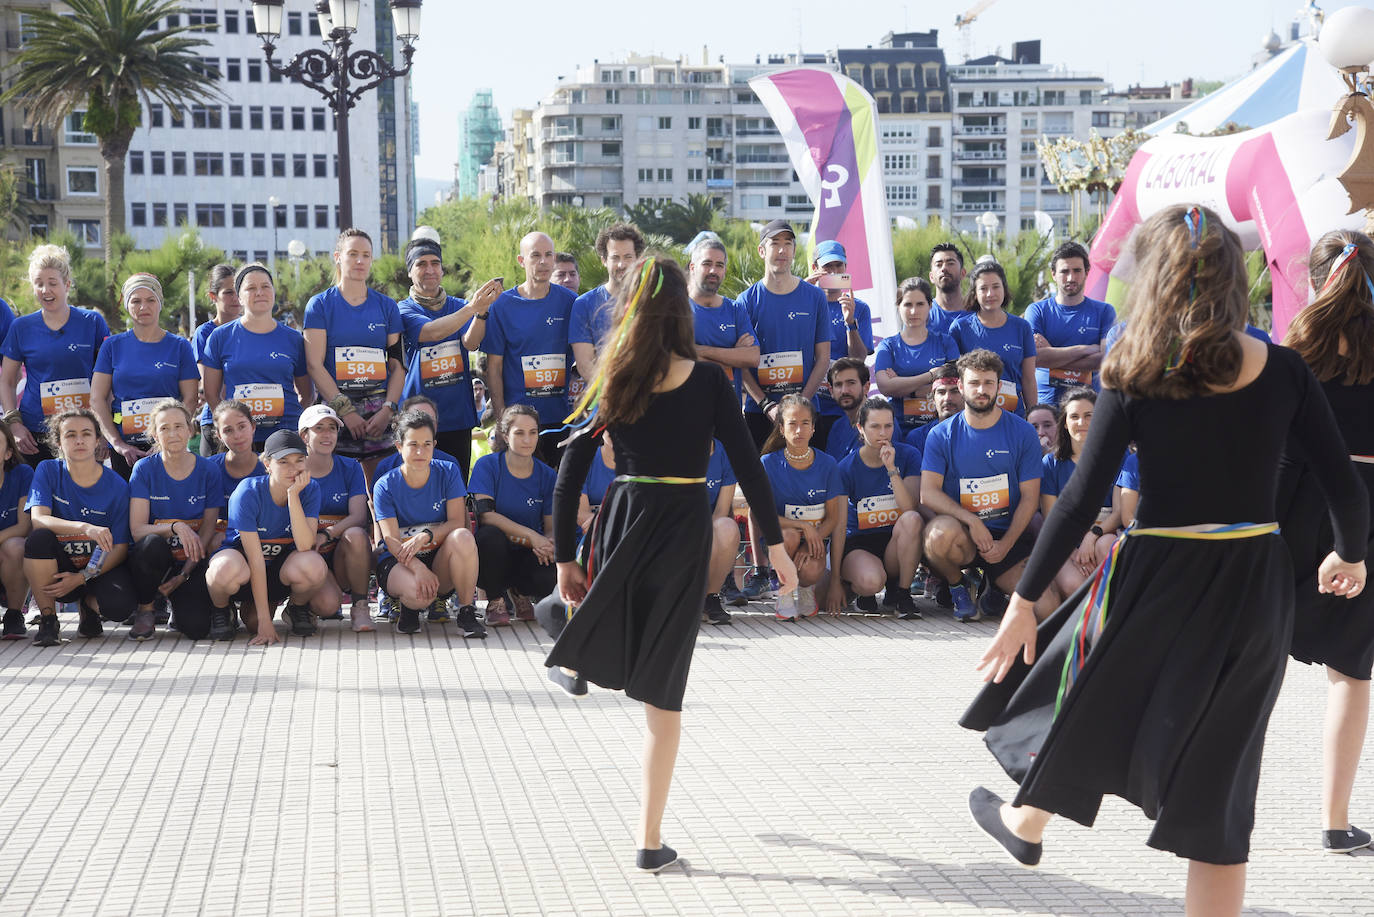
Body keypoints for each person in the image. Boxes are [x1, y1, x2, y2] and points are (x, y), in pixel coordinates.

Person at [961, 206, 1367, 916]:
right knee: (1224, 775)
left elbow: (1080, 499)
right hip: (1253, 577)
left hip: (1158, 570)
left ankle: (1029, 821)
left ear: (1154, 277)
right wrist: (1351, 556)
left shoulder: (1132, 370)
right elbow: (1344, 486)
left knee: (1095, 689)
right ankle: (1028, 820)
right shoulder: (1284, 371)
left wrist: (1023, 600)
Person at [546, 255, 797, 873]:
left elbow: (569, 471)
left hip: (625, 514)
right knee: (666, 691)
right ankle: (649, 840)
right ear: (683, 308)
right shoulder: (711, 381)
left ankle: (577, 649)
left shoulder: (616, 375)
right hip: (684, 522)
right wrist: (775, 548)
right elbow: (747, 466)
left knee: (604, 605)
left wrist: (561, 560)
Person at [1278, 229, 1374, 853]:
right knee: (1351, 673)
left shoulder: (1294, 350)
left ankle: (1192, 797)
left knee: (1247, 662)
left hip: (1292, 505)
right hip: (1363, 517)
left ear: (1314, 280)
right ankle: (1335, 824)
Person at [921, 349, 1050, 623]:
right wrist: (972, 521)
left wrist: (1006, 544)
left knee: (1046, 606)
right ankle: (958, 586)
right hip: (965, 536)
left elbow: (1030, 497)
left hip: (1009, 537)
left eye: (988, 383)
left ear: (999, 386)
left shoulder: (1023, 432)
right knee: (936, 536)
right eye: (974, 383)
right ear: (960, 385)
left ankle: (995, 589)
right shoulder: (941, 434)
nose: (982, 390)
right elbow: (928, 493)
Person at [203, 429, 329, 646]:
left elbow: (305, 544)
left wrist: (292, 496)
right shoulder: (247, 492)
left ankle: (296, 607)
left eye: (299, 460)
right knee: (223, 570)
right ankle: (222, 611)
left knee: (314, 564)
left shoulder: (309, 489)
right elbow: (255, 559)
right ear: (268, 464)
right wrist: (264, 622)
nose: (293, 468)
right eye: (284, 462)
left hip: (279, 572)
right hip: (244, 568)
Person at [23, 408, 137, 645]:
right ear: (58, 442)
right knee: (38, 539)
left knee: (120, 607)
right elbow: (38, 519)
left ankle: (89, 606)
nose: (79, 440)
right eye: (70, 434)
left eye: (86, 433)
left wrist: (83, 577)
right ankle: (48, 619)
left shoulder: (117, 484)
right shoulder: (48, 470)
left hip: (97, 569)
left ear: (98, 440)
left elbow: (121, 547)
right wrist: (85, 527)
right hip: (60, 568)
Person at [373, 410, 485, 637]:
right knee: (418, 594)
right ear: (398, 447)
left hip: (437, 557)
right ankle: (408, 607)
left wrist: (426, 535)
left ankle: (465, 610)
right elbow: (391, 541)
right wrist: (418, 568)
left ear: (434, 445)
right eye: (412, 444)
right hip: (399, 561)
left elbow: (456, 522)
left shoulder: (449, 471)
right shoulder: (384, 485)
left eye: (426, 444)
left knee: (463, 537)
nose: (420, 451)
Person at [397, 237, 501, 481]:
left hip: (457, 416)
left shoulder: (461, 305)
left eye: (435, 263)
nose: (430, 270)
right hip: (418, 419)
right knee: (421, 486)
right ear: (410, 272)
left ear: (442, 269)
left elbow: (471, 343)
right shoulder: (403, 309)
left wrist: (482, 313)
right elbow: (432, 332)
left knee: (457, 488)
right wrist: (473, 308)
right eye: (421, 264)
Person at [303, 229, 404, 479]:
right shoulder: (320, 305)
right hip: (336, 410)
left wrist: (388, 410)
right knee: (342, 489)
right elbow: (314, 365)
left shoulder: (387, 306)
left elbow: (398, 366)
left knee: (381, 489)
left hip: (379, 413)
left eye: (366, 255)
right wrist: (345, 411)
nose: (360, 261)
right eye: (353, 254)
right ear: (338, 257)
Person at [0, 244, 110, 466]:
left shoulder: (93, 322)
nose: (45, 290)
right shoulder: (21, 327)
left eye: (52, 283)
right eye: (39, 284)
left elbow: (108, 379)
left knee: (82, 498)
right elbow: (8, 380)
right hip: (35, 433)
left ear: (67, 285)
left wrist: (105, 429)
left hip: (83, 430)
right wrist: (14, 423)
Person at [126, 400, 223, 641]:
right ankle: (146, 608)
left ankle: (178, 604)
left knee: (197, 628)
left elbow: (209, 529)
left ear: (191, 430)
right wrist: (176, 527)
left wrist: (184, 574)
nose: (173, 434)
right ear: (154, 434)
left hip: (191, 560)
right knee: (149, 543)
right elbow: (137, 530)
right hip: (157, 557)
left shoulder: (208, 470)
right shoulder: (144, 469)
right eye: (164, 428)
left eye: (179, 426)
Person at [483, 231, 577, 467]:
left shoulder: (571, 303)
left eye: (548, 255)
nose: (543, 261)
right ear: (521, 260)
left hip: (561, 419)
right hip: (520, 423)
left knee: (558, 495)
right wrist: (501, 415)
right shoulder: (502, 305)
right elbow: (494, 367)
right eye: (535, 255)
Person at [91, 274, 199, 478]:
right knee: (129, 506)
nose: (143, 307)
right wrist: (117, 443)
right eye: (136, 301)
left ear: (160, 304)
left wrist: (168, 440)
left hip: (169, 446)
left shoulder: (179, 346)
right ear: (126, 305)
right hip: (125, 449)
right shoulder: (112, 346)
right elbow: (97, 399)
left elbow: (190, 399)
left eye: (150, 300)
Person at [738, 220, 830, 450]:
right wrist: (767, 405)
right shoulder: (745, 302)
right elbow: (741, 364)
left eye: (787, 244)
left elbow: (823, 358)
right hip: (761, 413)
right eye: (775, 243)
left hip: (806, 412)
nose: (782, 250)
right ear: (761, 250)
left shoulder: (815, 298)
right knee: (762, 484)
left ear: (794, 251)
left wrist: (801, 403)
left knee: (809, 482)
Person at [201, 264, 312, 446]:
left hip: (285, 435)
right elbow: (212, 395)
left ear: (274, 292)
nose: (259, 292)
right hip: (242, 440)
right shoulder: (220, 337)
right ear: (240, 297)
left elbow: (306, 394)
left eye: (265, 286)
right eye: (251, 288)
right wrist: (230, 426)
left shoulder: (294, 339)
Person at [759, 395, 848, 619]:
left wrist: (810, 541)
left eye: (805, 424)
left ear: (813, 428)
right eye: (792, 423)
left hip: (815, 540)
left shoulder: (828, 464)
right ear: (781, 428)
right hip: (779, 539)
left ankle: (806, 589)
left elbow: (832, 518)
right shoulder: (767, 464)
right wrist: (802, 526)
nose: (799, 430)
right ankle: (785, 592)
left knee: (811, 569)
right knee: (788, 535)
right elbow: (763, 515)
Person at [469, 404, 558, 626]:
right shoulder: (487, 466)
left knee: (551, 573)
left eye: (533, 433)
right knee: (490, 536)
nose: (527, 440)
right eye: (519, 433)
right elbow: (486, 516)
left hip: (528, 551)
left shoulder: (547, 475)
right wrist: (532, 536)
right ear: (506, 437)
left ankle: (520, 592)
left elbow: (550, 526)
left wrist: (548, 542)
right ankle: (496, 599)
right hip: (491, 555)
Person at [837, 398, 923, 619]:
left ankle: (902, 594)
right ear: (861, 428)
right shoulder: (846, 467)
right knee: (870, 582)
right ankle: (861, 591)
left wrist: (891, 469)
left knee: (913, 518)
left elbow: (909, 508)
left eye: (888, 425)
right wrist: (834, 581)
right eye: (875, 426)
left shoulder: (909, 455)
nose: (883, 433)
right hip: (860, 543)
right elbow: (837, 526)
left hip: (895, 541)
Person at [1039, 389, 1122, 599]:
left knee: (1107, 547)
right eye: (1074, 416)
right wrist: (1074, 551)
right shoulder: (1051, 464)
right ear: (1065, 423)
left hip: (1104, 534)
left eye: (1088, 416)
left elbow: (1119, 512)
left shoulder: (1118, 458)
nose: (1081, 422)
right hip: (1065, 541)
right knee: (1075, 585)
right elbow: (1052, 518)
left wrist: (1091, 538)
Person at [298, 404, 373, 632]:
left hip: (340, 554)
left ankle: (360, 606)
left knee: (357, 535)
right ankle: (299, 605)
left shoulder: (350, 467)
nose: (327, 434)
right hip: (307, 556)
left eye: (332, 428)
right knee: (327, 606)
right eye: (319, 428)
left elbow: (359, 516)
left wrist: (327, 533)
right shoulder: (294, 470)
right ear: (304, 435)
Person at [1025, 241, 1116, 409]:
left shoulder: (1104, 311)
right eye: (1064, 271)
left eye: (1077, 271)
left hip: (1090, 406)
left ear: (1087, 272)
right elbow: (1036, 358)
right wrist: (1087, 349)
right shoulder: (1037, 310)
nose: (1071, 277)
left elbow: (1104, 359)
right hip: (1049, 407)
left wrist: (1052, 356)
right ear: (1053, 274)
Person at [806, 240, 874, 446]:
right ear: (815, 268)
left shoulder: (859, 308)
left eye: (839, 266)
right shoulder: (803, 303)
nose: (834, 272)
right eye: (828, 267)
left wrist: (850, 323)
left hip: (843, 408)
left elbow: (858, 359)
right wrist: (802, 293)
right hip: (810, 404)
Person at [951, 261, 1038, 417]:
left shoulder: (1022, 327)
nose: (990, 294)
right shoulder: (960, 328)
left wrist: (1033, 416)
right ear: (974, 293)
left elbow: (1029, 379)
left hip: (1013, 416)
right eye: (983, 288)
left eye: (996, 287)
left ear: (1004, 289)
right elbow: (955, 377)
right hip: (975, 416)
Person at [875, 277, 960, 432]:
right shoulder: (888, 346)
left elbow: (953, 385)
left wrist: (905, 387)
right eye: (907, 304)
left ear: (930, 306)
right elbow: (885, 386)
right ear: (898, 306)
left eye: (920, 304)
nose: (914, 311)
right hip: (899, 428)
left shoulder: (946, 342)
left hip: (941, 426)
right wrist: (931, 376)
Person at [570, 222, 645, 378]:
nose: (621, 264)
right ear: (604, 260)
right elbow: (585, 365)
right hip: (604, 398)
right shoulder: (584, 304)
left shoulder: (651, 300)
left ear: (638, 259)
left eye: (628, 257)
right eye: (615, 257)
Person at [687, 235, 757, 401]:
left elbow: (752, 357)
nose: (713, 270)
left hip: (728, 409)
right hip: (687, 409)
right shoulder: (676, 308)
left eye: (719, 265)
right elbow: (675, 357)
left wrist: (699, 350)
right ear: (692, 267)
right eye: (707, 263)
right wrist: (733, 356)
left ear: (725, 270)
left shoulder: (736, 309)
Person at [193, 264, 241, 456]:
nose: (236, 298)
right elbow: (208, 386)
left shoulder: (256, 329)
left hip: (253, 421)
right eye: (228, 292)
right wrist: (225, 422)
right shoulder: (205, 333)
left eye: (238, 291)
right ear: (213, 296)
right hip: (216, 422)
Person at [206, 400, 267, 550]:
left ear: (253, 427)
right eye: (228, 430)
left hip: (262, 538)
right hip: (221, 542)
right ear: (219, 435)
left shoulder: (269, 468)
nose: (237, 435)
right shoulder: (209, 467)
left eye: (242, 427)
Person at [0, 420, 34, 638]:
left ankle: (14, 615)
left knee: (16, 546)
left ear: (8, 453)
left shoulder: (23, 473)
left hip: (8, 555)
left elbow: (23, 527)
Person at [903, 363, 964, 455]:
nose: (947, 398)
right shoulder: (917, 438)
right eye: (941, 392)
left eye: (955, 391)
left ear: (966, 396)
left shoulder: (978, 434)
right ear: (932, 399)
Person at [821, 357, 869, 461]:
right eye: (838, 385)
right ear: (831, 391)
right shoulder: (837, 427)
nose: (844, 391)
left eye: (851, 383)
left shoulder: (882, 421)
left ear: (866, 387)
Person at [928, 243, 970, 335]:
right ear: (931, 277)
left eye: (950, 263)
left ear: (963, 273)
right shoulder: (922, 315)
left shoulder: (978, 314)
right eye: (938, 265)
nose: (944, 268)